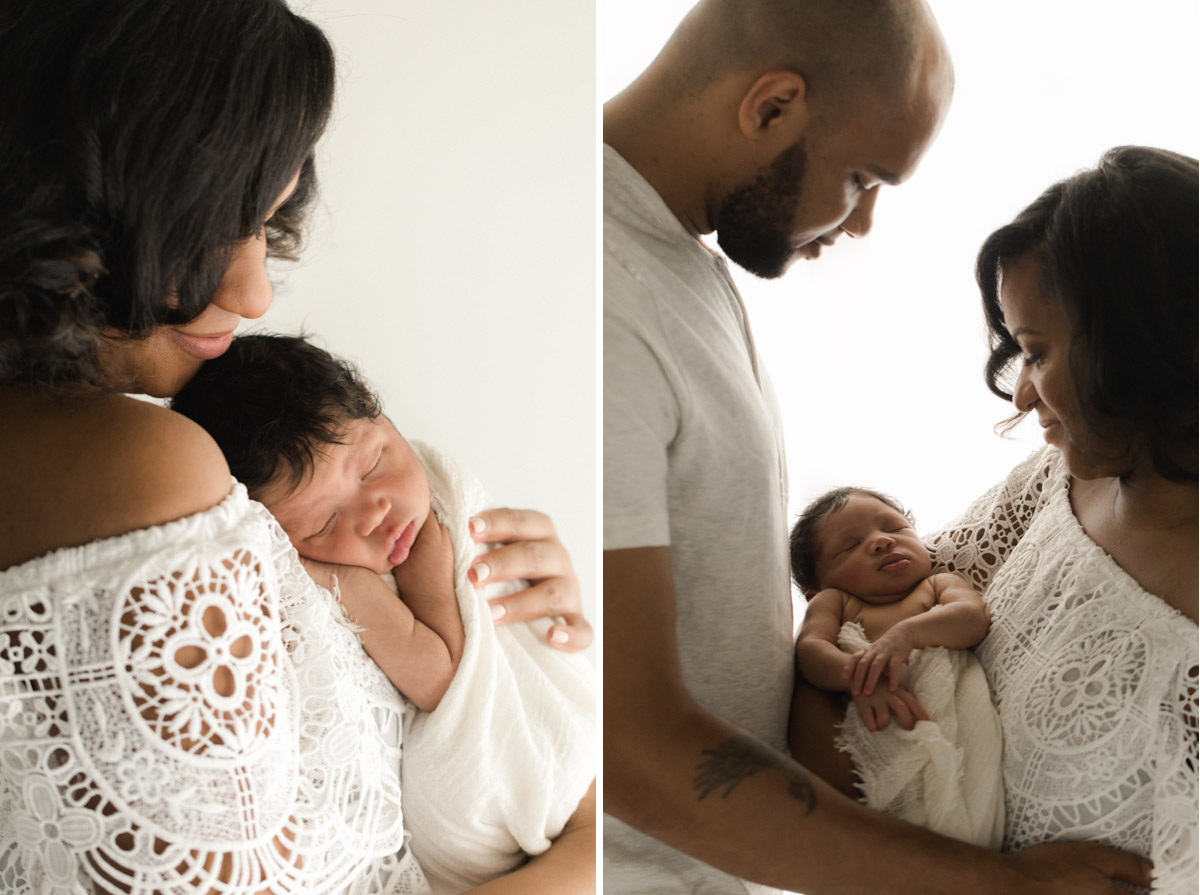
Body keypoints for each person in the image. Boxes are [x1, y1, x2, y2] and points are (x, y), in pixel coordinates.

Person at [0, 2, 592, 893]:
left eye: (264, 224)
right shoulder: (142, 469)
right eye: (208, 227)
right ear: (70, 188)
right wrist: (586, 846)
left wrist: (515, 651)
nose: (253, 289)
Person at [603, 0, 1150, 891]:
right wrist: (1001, 886)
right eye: (863, 179)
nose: (859, 226)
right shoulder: (610, 296)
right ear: (772, 106)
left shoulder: (676, 264)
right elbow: (628, 741)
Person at [170, 333, 596, 894]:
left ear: (376, 408)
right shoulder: (288, 597)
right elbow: (444, 680)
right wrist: (353, 587)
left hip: (569, 787)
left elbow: (465, 663)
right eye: (322, 526)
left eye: (372, 467)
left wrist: (381, 588)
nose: (373, 515)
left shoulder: (442, 512)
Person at [922, 146, 1197, 894]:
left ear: (1140, 342)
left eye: (1037, 352)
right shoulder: (1048, 486)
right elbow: (859, 614)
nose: (1018, 394)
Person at [790, 487, 1004, 848]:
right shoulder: (837, 601)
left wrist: (908, 634)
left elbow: (972, 618)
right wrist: (860, 678)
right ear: (817, 588)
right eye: (849, 545)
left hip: (946, 726)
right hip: (871, 729)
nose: (881, 542)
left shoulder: (937, 585)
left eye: (896, 528)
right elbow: (811, 650)